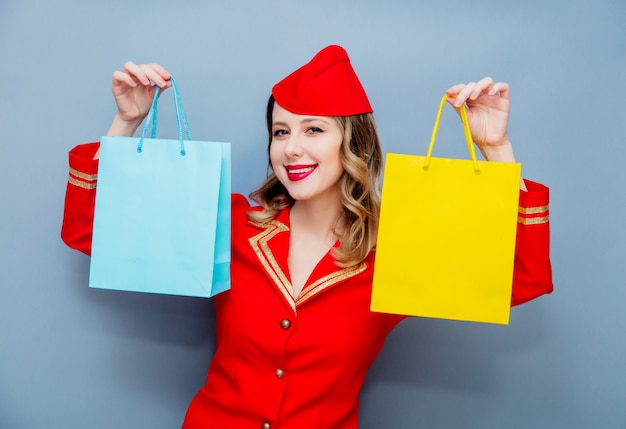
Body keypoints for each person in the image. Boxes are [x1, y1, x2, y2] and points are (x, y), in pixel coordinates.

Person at [61, 45, 553, 429]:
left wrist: (496, 150)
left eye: (313, 129)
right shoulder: (230, 226)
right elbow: (93, 232)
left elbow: (517, 280)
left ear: (352, 143)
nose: (291, 148)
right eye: (280, 132)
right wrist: (127, 123)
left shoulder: (396, 251)